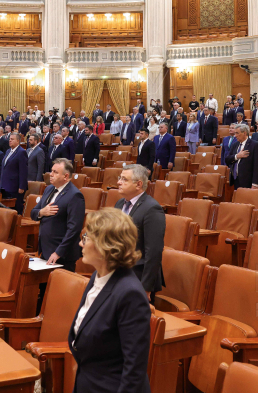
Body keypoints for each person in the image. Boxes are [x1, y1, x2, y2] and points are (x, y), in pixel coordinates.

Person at [70, 208, 151, 393]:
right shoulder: (97, 277)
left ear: (104, 245)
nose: (80, 243)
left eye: (86, 238)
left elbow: (134, 370)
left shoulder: (130, 294)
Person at [115, 165, 165, 299]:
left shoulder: (152, 209)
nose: (119, 182)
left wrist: (146, 287)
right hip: (118, 271)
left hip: (137, 277)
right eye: (119, 178)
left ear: (138, 184)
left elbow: (153, 251)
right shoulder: (119, 204)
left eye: (124, 179)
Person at [30, 159, 85, 269]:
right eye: (51, 171)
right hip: (46, 249)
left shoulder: (75, 196)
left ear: (65, 176)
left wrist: (58, 252)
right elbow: (33, 213)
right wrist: (42, 212)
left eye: (55, 172)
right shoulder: (49, 189)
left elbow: (74, 229)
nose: (51, 174)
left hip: (62, 254)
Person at [226, 124, 258, 189]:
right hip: (235, 180)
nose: (235, 135)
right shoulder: (235, 145)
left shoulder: (255, 145)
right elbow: (227, 160)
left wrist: (255, 183)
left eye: (237, 133)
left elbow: (257, 166)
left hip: (248, 182)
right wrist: (237, 156)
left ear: (244, 133)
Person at [0, 133, 28, 210]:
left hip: (14, 185)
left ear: (18, 141)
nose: (10, 140)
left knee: (15, 207)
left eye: (12, 139)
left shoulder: (21, 152)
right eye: (9, 139)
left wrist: (22, 186)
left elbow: (23, 170)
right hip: (5, 184)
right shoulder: (8, 151)